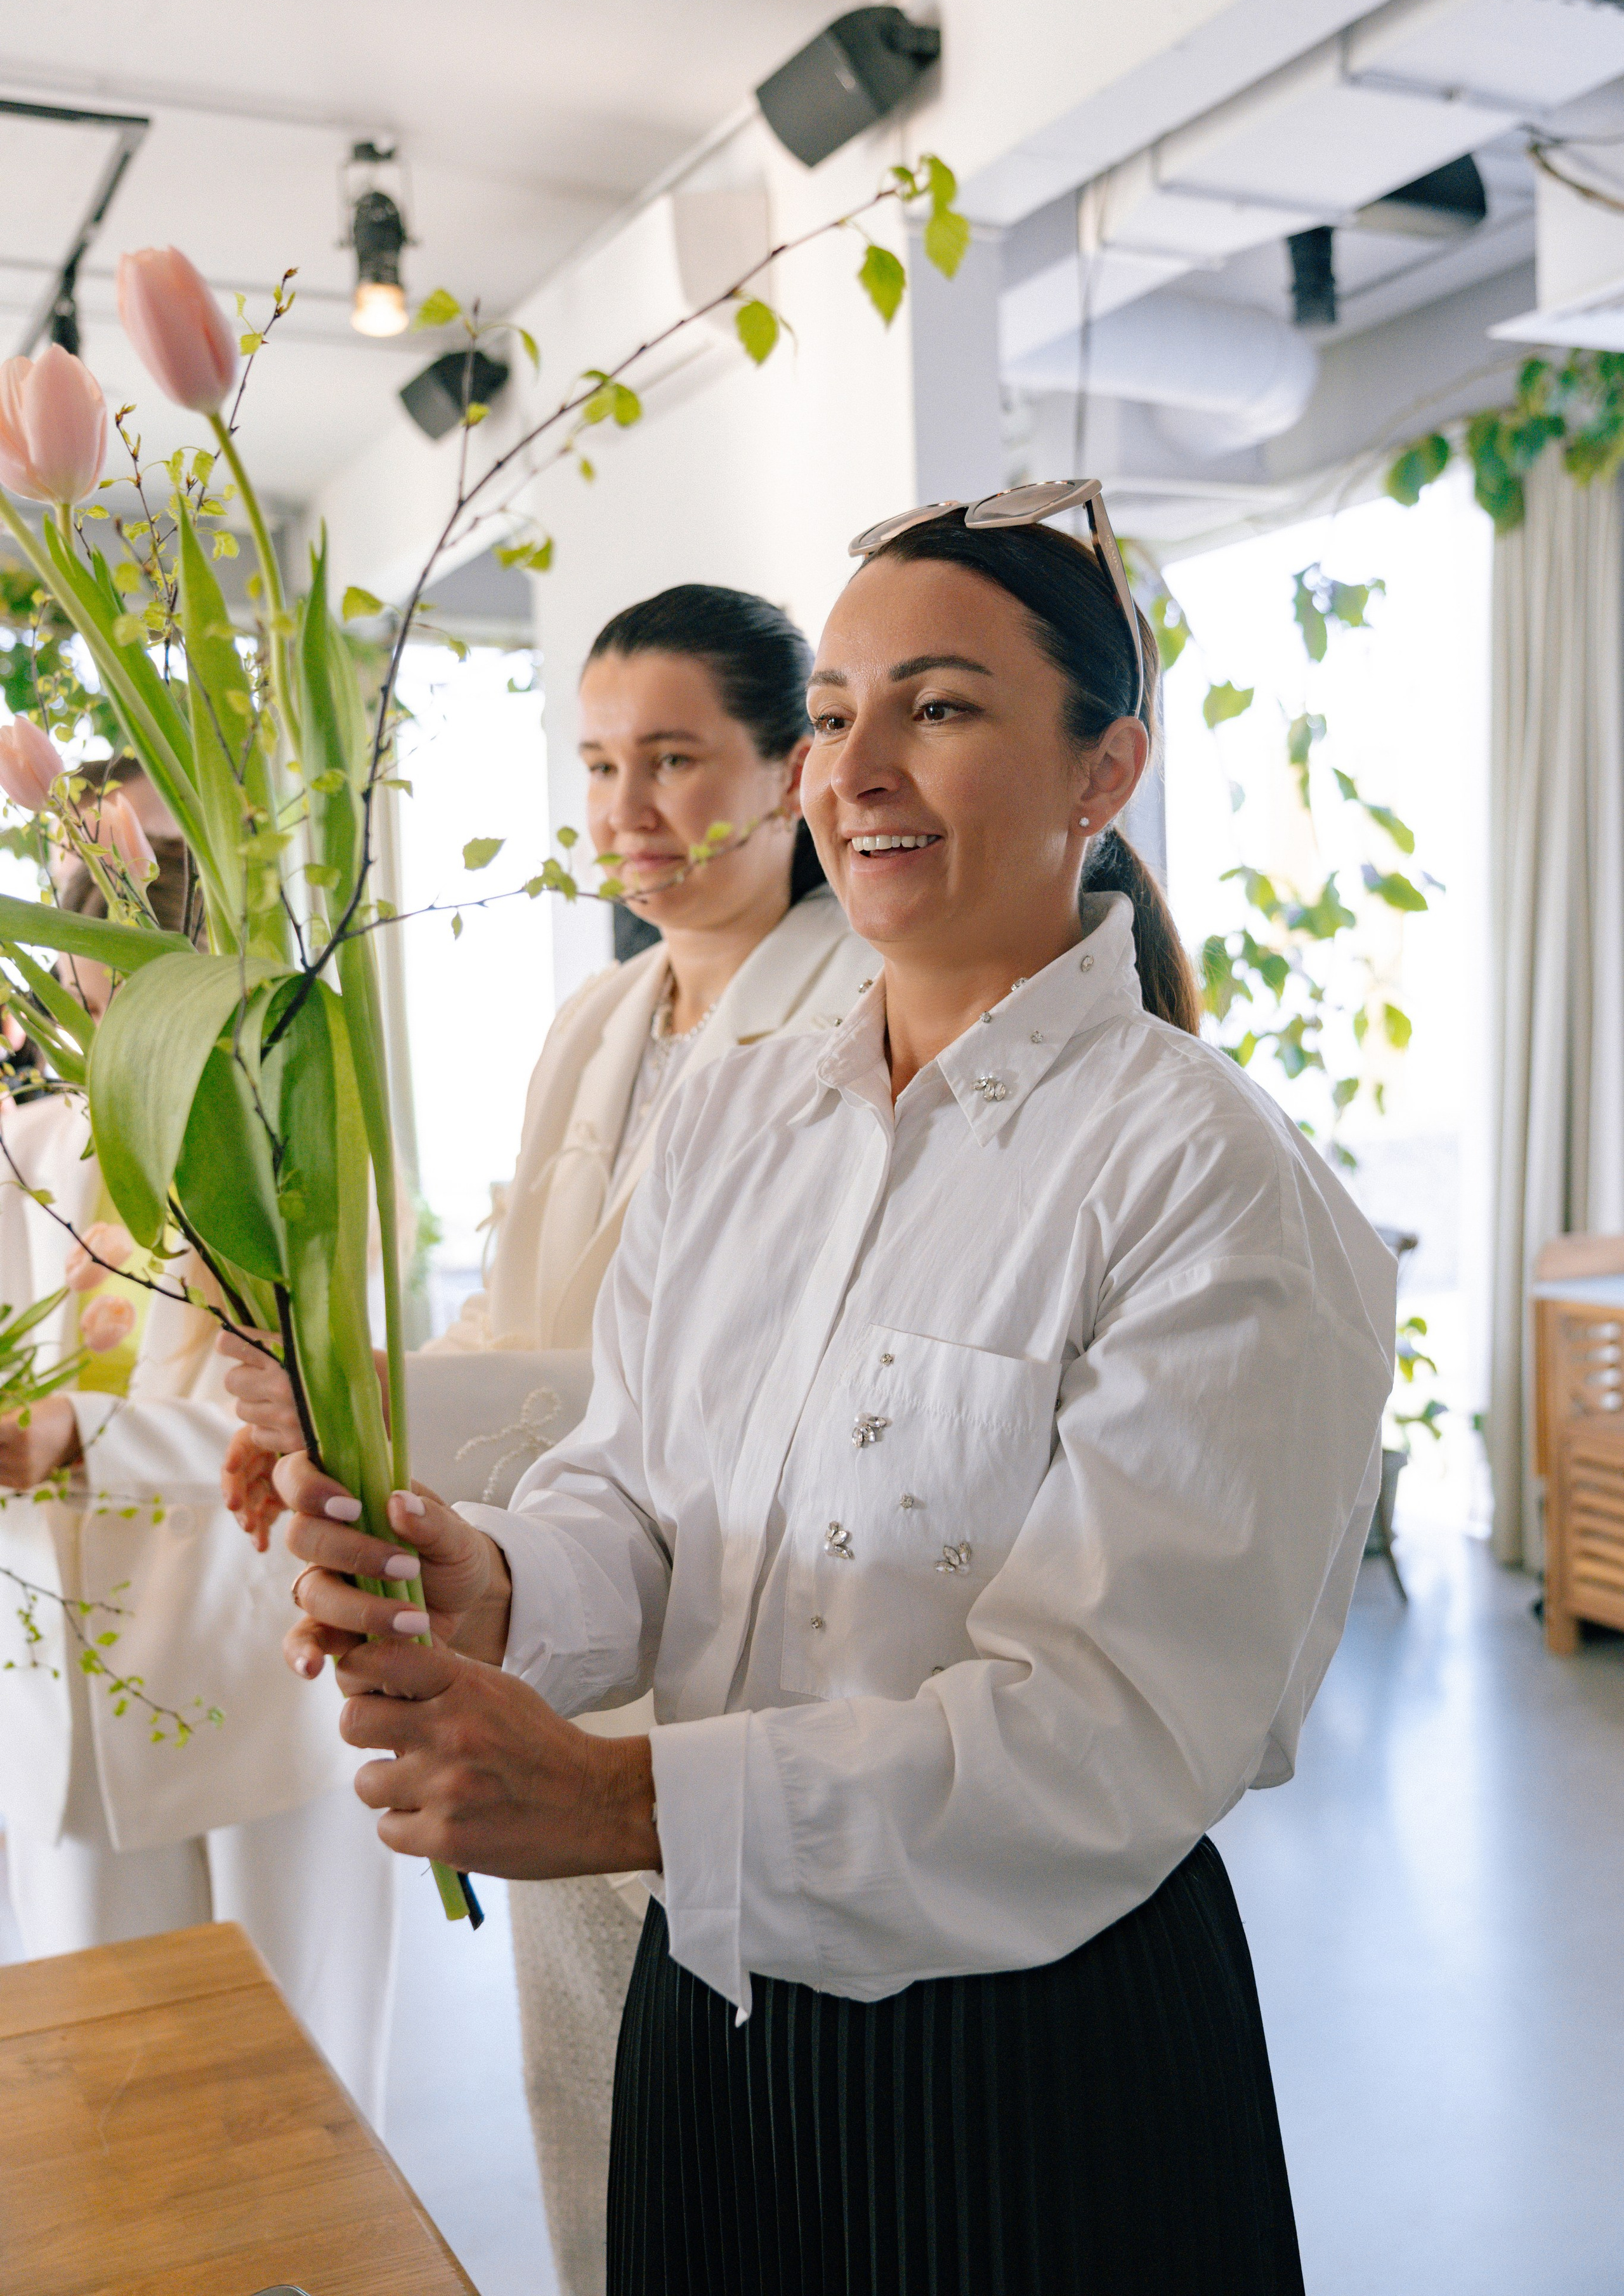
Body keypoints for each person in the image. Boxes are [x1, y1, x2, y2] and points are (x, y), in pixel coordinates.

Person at [266, 485, 1396, 2293]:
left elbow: (1103, 1741)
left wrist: (622, 1806)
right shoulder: (741, 1109)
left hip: (1032, 2058)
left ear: (1103, 774)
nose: (854, 765)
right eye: (834, 712)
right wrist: (496, 1584)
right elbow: (641, 1496)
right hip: (710, 2011)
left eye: (938, 709)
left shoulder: (1210, 1183)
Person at [219, 586, 877, 2293]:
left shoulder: (856, 1024)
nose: (629, 812)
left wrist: (403, 1436)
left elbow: (715, 1398)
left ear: (794, 769)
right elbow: (520, 1319)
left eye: (676, 759)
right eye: (598, 765)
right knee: (589, 2114)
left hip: (732, 1667)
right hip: (538, 1632)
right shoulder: (600, 1018)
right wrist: (348, 1421)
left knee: (757, 2151)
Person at [0, 764, 396, 2125]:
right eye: (90, 914)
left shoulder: (297, 1147)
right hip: (57, 1697)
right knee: (94, 2111)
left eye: (156, 898)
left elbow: (317, 1418)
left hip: (250, 1682)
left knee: (288, 2103)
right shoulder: (34, 1144)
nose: (123, 956)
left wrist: (78, 1436)